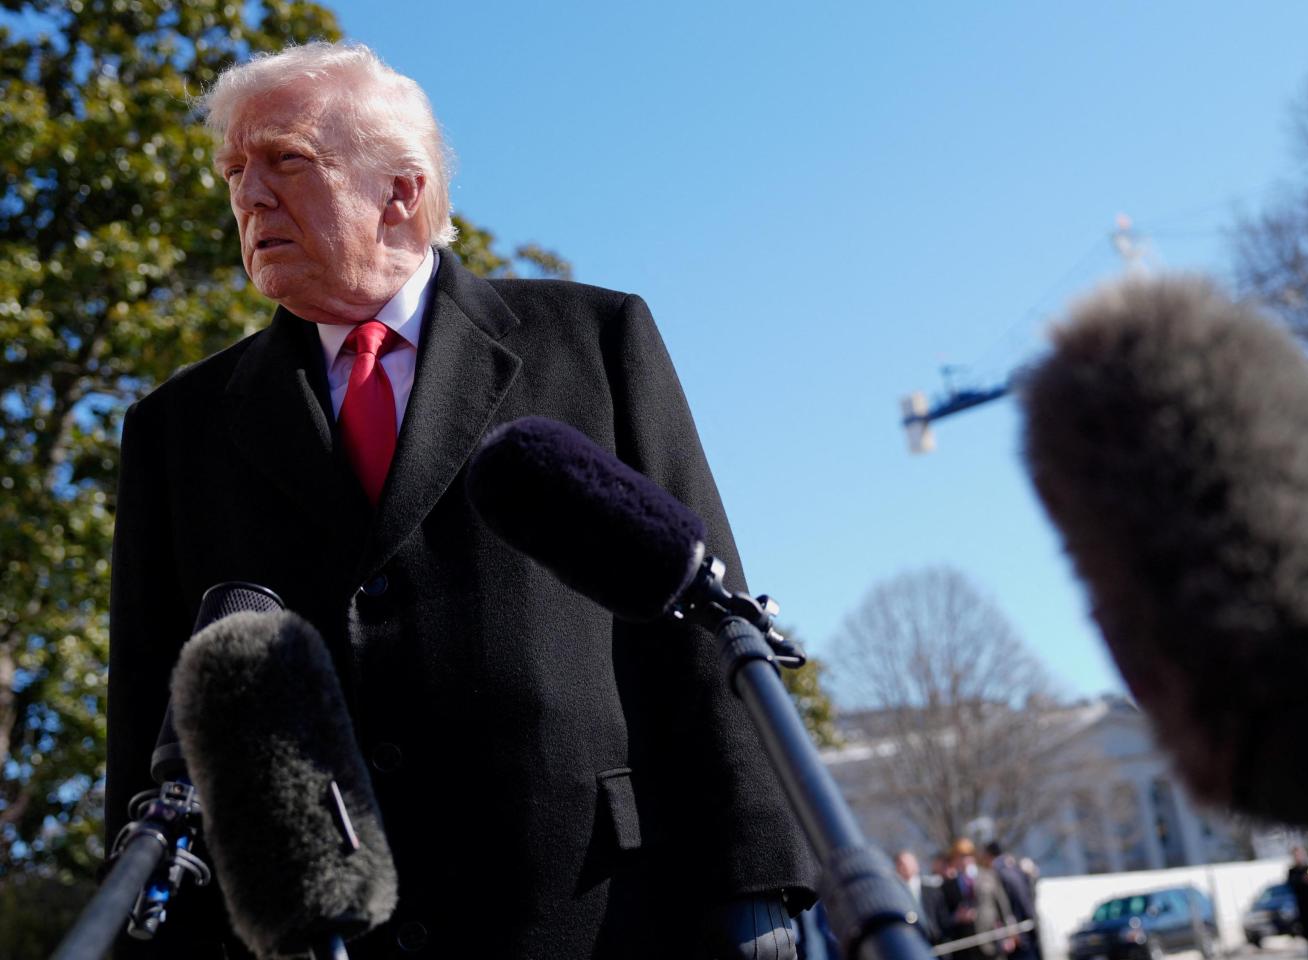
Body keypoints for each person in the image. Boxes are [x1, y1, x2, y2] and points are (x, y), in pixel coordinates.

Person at [102, 41, 813, 959]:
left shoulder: (594, 339)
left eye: (285, 160)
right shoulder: (176, 428)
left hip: (592, 911)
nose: (247, 194)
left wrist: (756, 891)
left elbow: (701, 628)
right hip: (310, 931)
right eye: (235, 169)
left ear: (401, 189)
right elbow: (149, 718)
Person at [939, 837, 1017, 959]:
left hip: (992, 942)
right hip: (966, 948)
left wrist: (1009, 935)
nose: (963, 860)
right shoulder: (947, 886)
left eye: (966, 856)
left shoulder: (988, 876)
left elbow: (1003, 907)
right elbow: (943, 917)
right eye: (959, 857)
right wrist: (956, 917)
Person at [984, 841, 1038, 960]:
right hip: (1026, 928)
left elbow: (1014, 902)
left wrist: (1014, 930)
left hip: (1018, 933)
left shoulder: (1001, 873)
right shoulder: (1014, 869)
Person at [894, 848, 942, 944]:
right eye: (901, 864)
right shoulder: (895, 894)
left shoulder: (933, 889)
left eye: (908, 863)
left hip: (938, 942)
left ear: (916, 865)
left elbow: (942, 918)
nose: (905, 867)